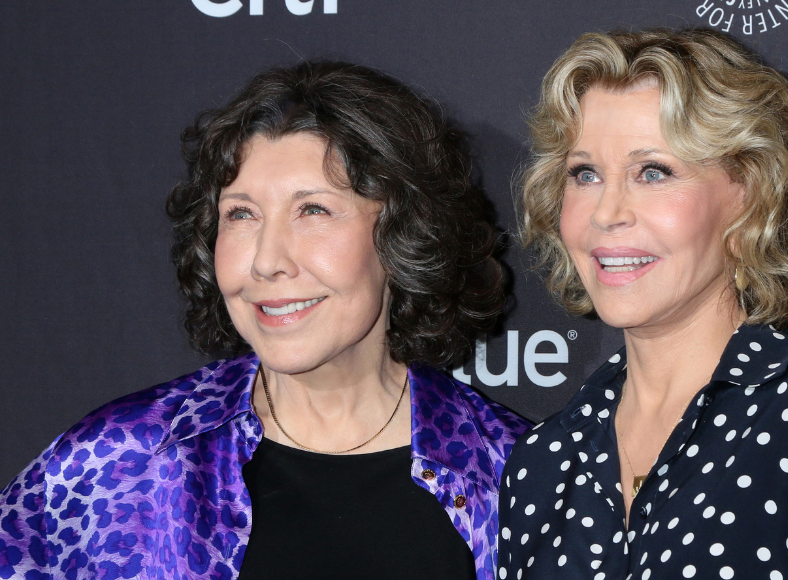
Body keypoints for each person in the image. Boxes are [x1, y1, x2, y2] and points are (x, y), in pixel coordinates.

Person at [0, 61, 529, 580]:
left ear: (405, 235)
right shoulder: (118, 463)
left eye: (314, 210)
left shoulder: (514, 474)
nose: (267, 259)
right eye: (241, 214)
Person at [497, 28, 788, 580]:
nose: (606, 213)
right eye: (585, 174)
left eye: (652, 172)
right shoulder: (542, 462)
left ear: (751, 197)